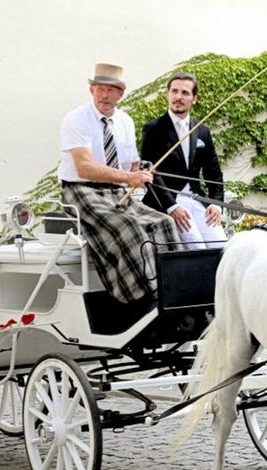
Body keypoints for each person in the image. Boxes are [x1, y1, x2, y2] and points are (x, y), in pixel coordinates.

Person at [58, 62, 181, 305]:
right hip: (81, 191)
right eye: (100, 89)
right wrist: (129, 178)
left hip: (116, 191)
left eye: (111, 90)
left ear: (120, 94)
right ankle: (142, 298)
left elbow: (132, 166)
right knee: (130, 229)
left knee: (164, 223)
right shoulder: (75, 119)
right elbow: (85, 167)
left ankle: (176, 287)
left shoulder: (125, 121)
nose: (105, 95)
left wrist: (143, 173)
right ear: (91, 90)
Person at [141, 72, 226, 249]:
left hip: (195, 198)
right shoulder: (153, 129)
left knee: (220, 246)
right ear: (168, 94)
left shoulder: (202, 131)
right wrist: (172, 207)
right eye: (174, 91)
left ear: (194, 98)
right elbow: (150, 173)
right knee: (197, 247)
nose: (178, 97)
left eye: (185, 93)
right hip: (167, 200)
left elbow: (214, 172)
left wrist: (215, 204)